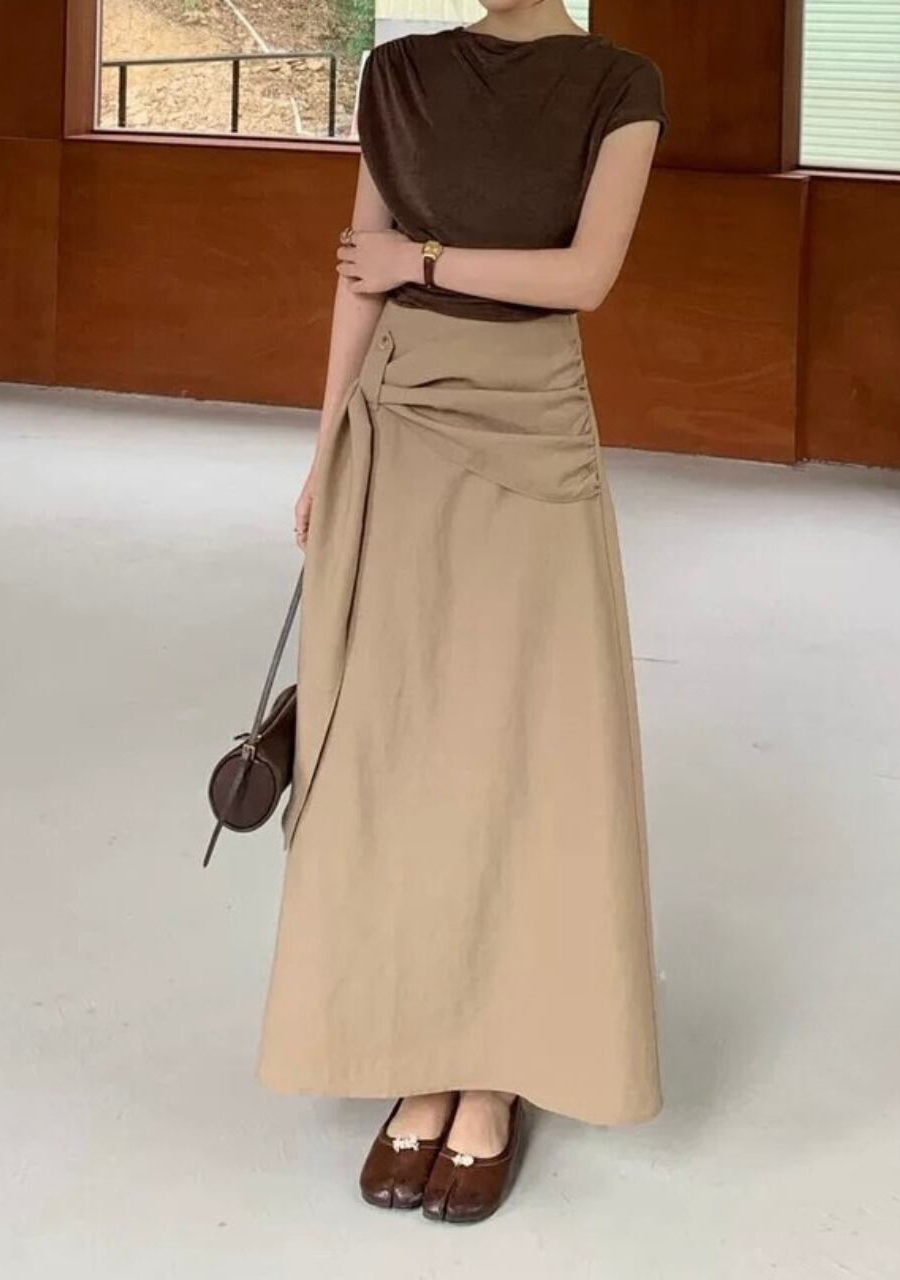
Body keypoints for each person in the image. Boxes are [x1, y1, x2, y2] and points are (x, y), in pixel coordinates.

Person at [255, 0, 669, 1224]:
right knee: (403, 744)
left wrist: (420, 262)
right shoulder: (398, 74)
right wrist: (326, 444)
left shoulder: (619, 82)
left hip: (534, 430)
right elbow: (357, 273)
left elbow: (584, 276)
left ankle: (494, 1069)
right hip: (398, 418)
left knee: (524, 745)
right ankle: (422, 1054)